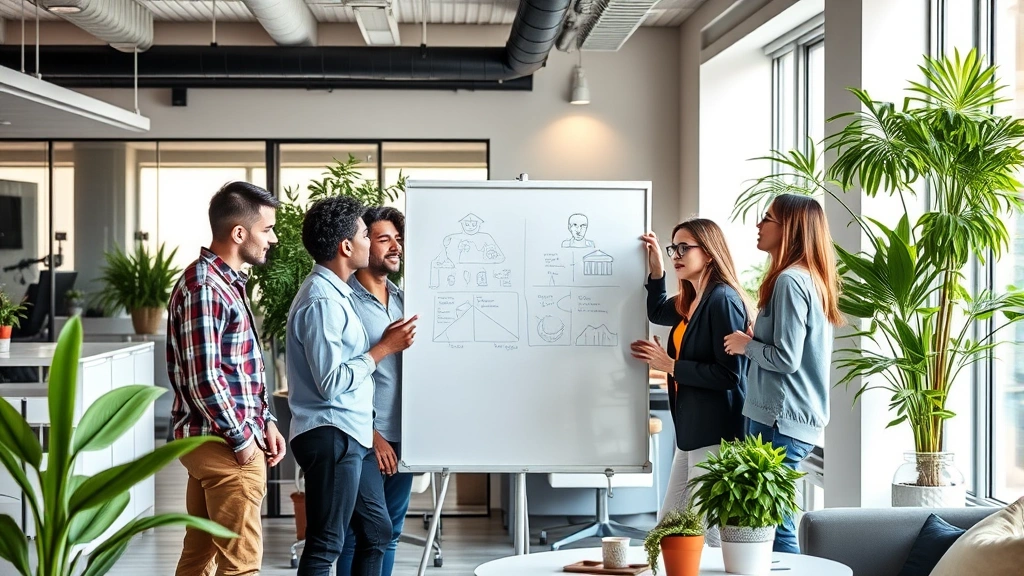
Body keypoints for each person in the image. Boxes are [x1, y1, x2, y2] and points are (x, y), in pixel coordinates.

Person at [287, 196, 417, 576]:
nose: (371, 242)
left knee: (377, 532)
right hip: (333, 431)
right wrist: (383, 348)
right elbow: (331, 382)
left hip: (351, 432)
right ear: (347, 246)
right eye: (366, 235)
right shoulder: (322, 300)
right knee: (328, 543)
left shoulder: (338, 294)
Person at [167, 181, 287, 576]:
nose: (273, 239)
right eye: (267, 229)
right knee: (241, 566)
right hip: (224, 444)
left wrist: (265, 420)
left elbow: (241, 369)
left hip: (218, 439)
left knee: (198, 558)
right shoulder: (206, 287)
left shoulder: (222, 282)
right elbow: (205, 378)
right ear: (239, 233)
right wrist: (242, 440)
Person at [723, 194, 843, 554]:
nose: (759, 225)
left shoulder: (790, 281)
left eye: (767, 218)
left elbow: (787, 359)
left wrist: (747, 345)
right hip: (786, 418)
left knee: (776, 527)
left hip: (778, 419)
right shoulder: (810, 278)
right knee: (774, 522)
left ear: (789, 228)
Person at [630, 218, 750, 547]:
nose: (676, 255)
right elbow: (657, 311)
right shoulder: (692, 299)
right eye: (674, 248)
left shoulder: (722, 300)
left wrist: (670, 366)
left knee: (704, 534)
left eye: (685, 248)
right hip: (692, 431)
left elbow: (730, 375)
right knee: (670, 528)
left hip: (716, 432)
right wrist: (657, 270)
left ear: (709, 253)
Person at [338, 206, 412, 576]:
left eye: (398, 239)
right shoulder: (345, 301)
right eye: (384, 239)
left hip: (405, 435)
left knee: (391, 532)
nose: (395, 247)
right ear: (364, 243)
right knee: (358, 535)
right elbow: (340, 377)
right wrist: (372, 434)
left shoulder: (405, 300)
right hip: (365, 436)